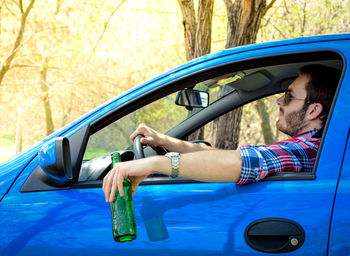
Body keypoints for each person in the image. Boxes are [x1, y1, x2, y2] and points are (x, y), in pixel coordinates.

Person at [103, 64, 341, 202]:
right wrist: (165, 141)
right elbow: (222, 156)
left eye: (288, 95)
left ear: (313, 110)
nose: (279, 100)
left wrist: (154, 164)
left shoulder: (307, 149)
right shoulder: (308, 146)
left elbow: (239, 163)